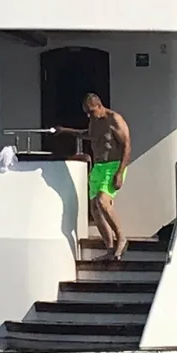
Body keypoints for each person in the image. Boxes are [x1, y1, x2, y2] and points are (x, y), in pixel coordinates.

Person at [52, 93, 132, 259]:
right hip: (98, 167)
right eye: (87, 113)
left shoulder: (115, 119)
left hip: (113, 166)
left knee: (103, 201)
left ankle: (121, 238)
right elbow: (90, 134)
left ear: (100, 106)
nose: (90, 115)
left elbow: (127, 145)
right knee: (95, 209)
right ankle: (109, 249)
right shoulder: (94, 121)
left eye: (91, 111)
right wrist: (66, 131)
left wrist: (120, 172)